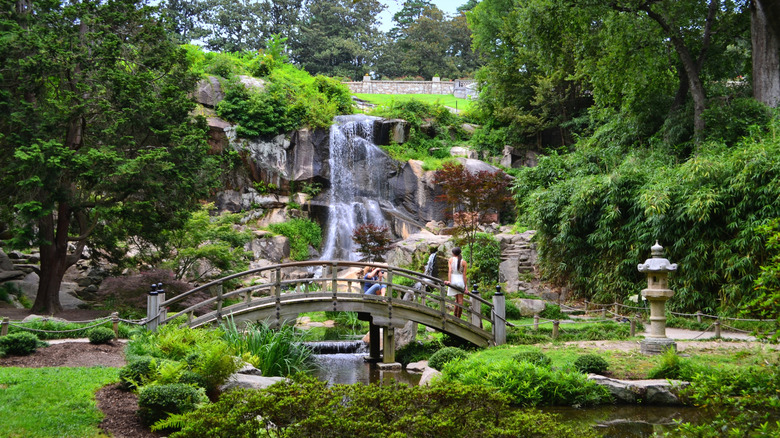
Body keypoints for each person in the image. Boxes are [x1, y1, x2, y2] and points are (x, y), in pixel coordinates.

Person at [444, 247, 468, 318]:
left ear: (453, 253)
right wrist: (465, 287)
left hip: (453, 281)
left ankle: (454, 316)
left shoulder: (451, 260)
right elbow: (464, 275)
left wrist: (449, 281)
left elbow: (450, 271)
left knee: (457, 300)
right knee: (460, 300)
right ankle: (458, 317)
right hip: (460, 281)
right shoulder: (464, 262)